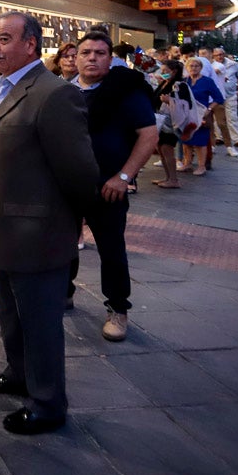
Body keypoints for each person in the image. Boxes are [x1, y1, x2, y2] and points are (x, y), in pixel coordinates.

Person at [0, 12, 98, 435]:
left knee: (41, 324)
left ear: (30, 45)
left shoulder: (53, 94)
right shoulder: (3, 88)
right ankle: (18, 374)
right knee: (12, 313)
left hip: (37, 235)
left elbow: (80, 172)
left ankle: (47, 404)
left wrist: (68, 224)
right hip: (2, 230)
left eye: (4, 39)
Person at [68, 32, 158, 341]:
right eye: (86, 52)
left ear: (110, 58)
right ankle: (64, 293)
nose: (92, 57)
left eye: (100, 53)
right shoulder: (63, 92)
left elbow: (149, 136)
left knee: (112, 250)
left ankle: (118, 309)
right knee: (63, 244)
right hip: (66, 186)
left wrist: (124, 176)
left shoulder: (124, 92)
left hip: (108, 188)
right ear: (75, 58)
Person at [180, 58, 225, 175]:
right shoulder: (184, 81)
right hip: (186, 115)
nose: (193, 68)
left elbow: (218, 98)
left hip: (201, 114)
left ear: (201, 68)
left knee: (200, 141)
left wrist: (209, 109)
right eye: (191, 66)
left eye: (196, 66)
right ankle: (187, 163)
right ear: (187, 68)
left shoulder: (207, 81)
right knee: (186, 139)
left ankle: (201, 166)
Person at [153, 60, 192, 189]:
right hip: (161, 121)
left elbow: (185, 104)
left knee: (167, 149)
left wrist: (169, 100)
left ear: (174, 72)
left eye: (165, 71)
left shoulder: (179, 85)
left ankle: (173, 179)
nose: (163, 73)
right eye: (162, 71)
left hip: (170, 123)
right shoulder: (165, 83)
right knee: (161, 149)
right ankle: (168, 177)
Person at [213, 47, 238, 155]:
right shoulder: (211, 65)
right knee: (217, 119)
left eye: (221, 54)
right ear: (213, 56)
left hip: (230, 95)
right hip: (216, 96)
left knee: (232, 117)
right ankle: (219, 137)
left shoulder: (233, 64)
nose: (219, 57)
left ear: (224, 54)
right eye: (217, 55)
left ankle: (237, 139)